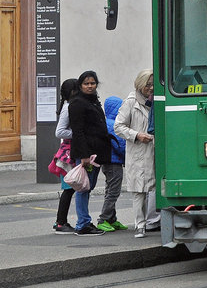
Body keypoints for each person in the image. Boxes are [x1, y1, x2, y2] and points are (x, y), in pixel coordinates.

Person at [114, 70, 160, 237]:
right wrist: (137, 135)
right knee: (139, 191)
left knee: (155, 187)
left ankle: (153, 221)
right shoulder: (131, 101)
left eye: (154, 84)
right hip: (139, 151)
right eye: (148, 85)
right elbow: (118, 127)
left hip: (154, 151)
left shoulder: (157, 100)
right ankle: (140, 225)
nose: (151, 88)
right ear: (140, 85)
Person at [68, 70, 111, 235]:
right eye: (86, 83)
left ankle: (84, 222)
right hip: (87, 154)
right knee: (83, 188)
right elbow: (77, 132)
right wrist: (84, 155)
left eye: (92, 83)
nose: (90, 86)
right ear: (80, 85)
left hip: (96, 152)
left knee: (88, 186)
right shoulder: (77, 103)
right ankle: (83, 224)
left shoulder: (93, 101)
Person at [95, 96, 127, 232]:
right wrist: (128, 157)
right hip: (114, 162)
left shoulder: (106, 122)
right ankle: (103, 219)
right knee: (113, 192)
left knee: (110, 190)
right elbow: (121, 145)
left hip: (108, 162)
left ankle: (111, 219)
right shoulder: (114, 124)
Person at [53, 78, 79, 233]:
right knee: (69, 188)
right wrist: (78, 134)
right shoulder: (68, 107)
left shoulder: (70, 106)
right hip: (68, 153)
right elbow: (59, 132)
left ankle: (61, 221)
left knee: (71, 188)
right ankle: (61, 222)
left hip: (70, 151)